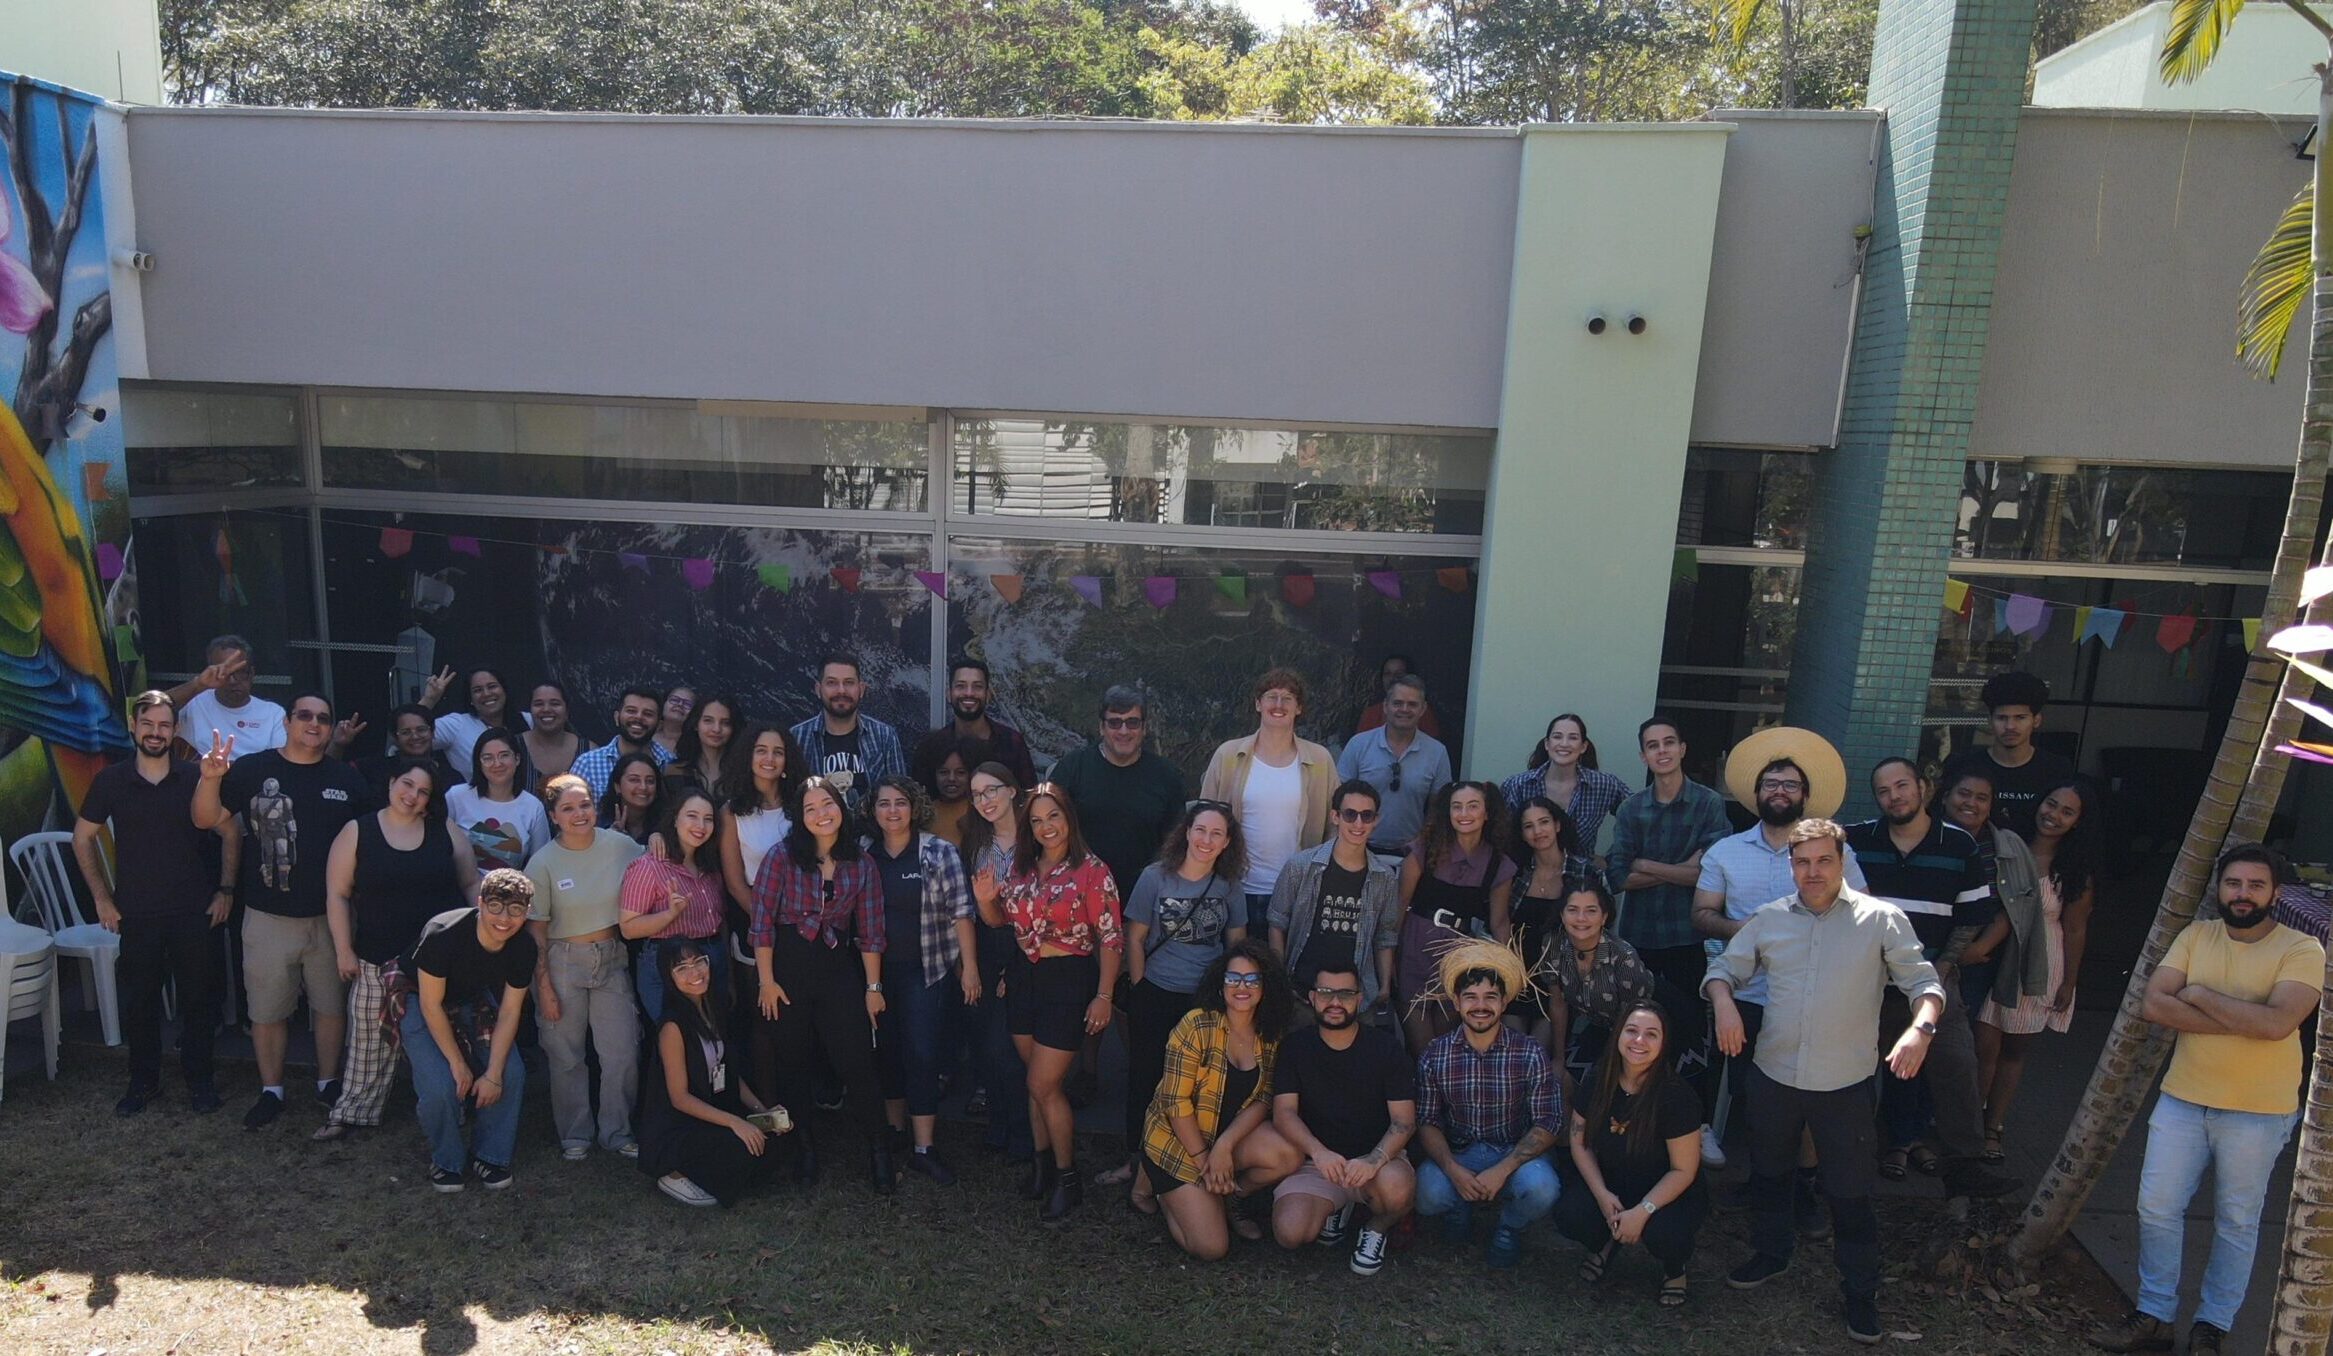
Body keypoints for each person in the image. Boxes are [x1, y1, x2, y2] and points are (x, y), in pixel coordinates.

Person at [1704, 818, 1945, 1347]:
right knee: (1770, 1173)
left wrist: (1920, 1031)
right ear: (1791, 865)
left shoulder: (1881, 920)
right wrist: (1724, 1002)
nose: (1812, 872)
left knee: (1850, 1193)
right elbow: (1724, 969)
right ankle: (1772, 1252)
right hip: (1775, 1075)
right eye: (1802, 862)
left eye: (1823, 861)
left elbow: (1924, 983)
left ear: (1842, 862)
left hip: (1845, 1084)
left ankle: (1860, 1292)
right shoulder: (1768, 920)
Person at [2089, 845, 2324, 1356]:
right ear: (2219, 889)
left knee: (2237, 1222)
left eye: (2255, 886)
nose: (2243, 894)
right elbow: (2154, 1003)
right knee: (2156, 1209)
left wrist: (2197, 996)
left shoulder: (2303, 949)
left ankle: (2211, 1327)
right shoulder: (2196, 935)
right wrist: (2244, 1018)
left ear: (2276, 894)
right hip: (2183, 1099)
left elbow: (2278, 1023)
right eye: (2234, 884)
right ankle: (2155, 1316)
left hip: (2259, 1111)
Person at [193, 689, 372, 1131]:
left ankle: (329, 1083)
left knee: (331, 1008)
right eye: (305, 715)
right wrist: (210, 778)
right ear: (288, 722)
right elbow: (203, 819)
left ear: (331, 730)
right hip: (267, 916)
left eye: (323, 719)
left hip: (330, 920)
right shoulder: (253, 770)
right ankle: (271, 1090)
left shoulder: (347, 780)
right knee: (267, 1012)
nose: (314, 724)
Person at [1690, 726, 1864, 1168]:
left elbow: (1860, 915)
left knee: (1805, 1097)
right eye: (1772, 784)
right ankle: (1763, 1182)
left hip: (1811, 994)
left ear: (1805, 795)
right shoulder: (1725, 852)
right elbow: (1702, 915)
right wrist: (1743, 928)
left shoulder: (1833, 854)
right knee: (1754, 1093)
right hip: (1745, 994)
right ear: (1757, 792)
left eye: (1790, 784)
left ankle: (1801, 1188)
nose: (1780, 791)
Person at [1846, 758, 2016, 1199]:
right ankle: (1853, 1164)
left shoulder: (1959, 845)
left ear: (1923, 788)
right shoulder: (1856, 840)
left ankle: (1964, 1169)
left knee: (1958, 1066)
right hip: (1866, 984)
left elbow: (1971, 916)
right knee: (1856, 1073)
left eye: (1902, 785)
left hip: (1932, 981)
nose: (1894, 796)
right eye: (1883, 791)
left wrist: (1939, 973)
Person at [74, 691, 237, 1116]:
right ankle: (143, 1081)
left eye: (165, 725)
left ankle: (200, 1080)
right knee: (140, 1002)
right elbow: (82, 837)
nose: (156, 732)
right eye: (148, 724)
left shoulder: (194, 777)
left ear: (175, 730)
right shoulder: (111, 780)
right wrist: (101, 898)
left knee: (199, 1002)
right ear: (134, 725)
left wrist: (225, 889)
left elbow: (230, 832)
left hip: (192, 910)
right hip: (136, 912)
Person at [973, 781, 1123, 1222]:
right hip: (1023, 977)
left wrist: (1104, 995)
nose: (1046, 827)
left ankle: (1067, 1176)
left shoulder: (1093, 871)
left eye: (1053, 816)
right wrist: (985, 903)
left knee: (1044, 1085)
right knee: (1031, 1082)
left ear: (1068, 817)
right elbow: (1003, 921)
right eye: (1036, 820)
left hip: (1068, 979)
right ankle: (1041, 1166)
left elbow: (1111, 938)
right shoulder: (1021, 868)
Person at [317, 757, 478, 1141]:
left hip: (438, 962)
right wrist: (343, 950)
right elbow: (338, 895)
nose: (412, 795)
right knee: (369, 1042)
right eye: (407, 784)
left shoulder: (447, 831)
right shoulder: (357, 831)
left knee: (450, 1039)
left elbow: (471, 883)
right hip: (377, 958)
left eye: (423, 792)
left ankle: (454, 1107)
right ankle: (353, 1113)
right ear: (391, 783)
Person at [750, 775, 893, 1193]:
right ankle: (805, 1148)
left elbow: (870, 930)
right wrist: (766, 982)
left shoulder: (861, 862)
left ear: (840, 808)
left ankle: (879, 1149)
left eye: (827, 805)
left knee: (856, 1062)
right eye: (809, 809)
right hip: (787, 967)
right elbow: (761, 925)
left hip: (836, 966)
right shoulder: (780, 858)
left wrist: (873, 988)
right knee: (793, 1062)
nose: (820, 815)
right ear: (799, 817)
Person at [1111, 801, 1247, 1196]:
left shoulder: (1229, 886)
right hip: (1156, 991)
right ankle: (1136, 1160)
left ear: (1226, 843)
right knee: (1145, 1077)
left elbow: (1235, 946)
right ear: (1186, 832)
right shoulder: (1155, 878)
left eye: (1217, 834)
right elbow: (1134, 938)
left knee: (1197, 1084)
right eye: (1201, 830)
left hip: (1204, 999)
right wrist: (1139, 990)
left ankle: (1187, 1161)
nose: (1207, 840)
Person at [1139, 941, 1302, 1257]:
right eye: (1233, 978)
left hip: (1223, 1139)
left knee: (1288, 1155)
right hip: (1178, 1142)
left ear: (1265, 986)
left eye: (1252, 979)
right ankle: (1161, 1187)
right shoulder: (1196, 1024)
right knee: (1212, 1247)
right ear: (1220, 983)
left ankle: (1229, 1196)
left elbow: (1264, 1098)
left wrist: (1224, 1148)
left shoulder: (1270, 1034)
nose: (1242, 987)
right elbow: (1175, 1103)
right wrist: (1205, 1163)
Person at [1412, 938, 1563, 1268]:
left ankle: (1510, 1225)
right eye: (1471, 997)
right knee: (1425, 1192)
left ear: (1505, 1001)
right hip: (1459, 1151)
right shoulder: (1435, 1054)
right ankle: (1458, 1206)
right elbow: (1427, 1121)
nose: (1480, 1006)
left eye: (1490, 997)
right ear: (1456, 1001)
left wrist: (1504, 1168)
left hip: (1513, 1151)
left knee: (1542, 1189)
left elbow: (1548, 1122)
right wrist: (1453, 1170)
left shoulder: (1529, 1051)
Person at [1555, 1001, 1708, 1308]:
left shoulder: (1677, 1096)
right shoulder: (1598, 1078)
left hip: (1665, 1192)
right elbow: (1579, 1141)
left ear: (1664, 1043)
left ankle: (1674, 1269)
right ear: (1618, 1035)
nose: (1639, 1041)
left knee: (1668, 1234)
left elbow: (1683, 1170)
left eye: (1651, 1034)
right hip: (1612, 1181)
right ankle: (1606, 1242)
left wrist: (1643, 1210)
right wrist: (1601, 1194)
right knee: (1570, 1215)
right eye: (1632, 1031)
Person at [526, 773, 647, 1160]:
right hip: (562, 962)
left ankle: (617, 1131)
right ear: (553, 815)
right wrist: (543, 987)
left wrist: (659, 839)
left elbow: (656, 868)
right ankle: (575, 1134)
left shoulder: (621, 846)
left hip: (612, 958)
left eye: (585, 805)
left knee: (622, 1052)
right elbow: (536, 933)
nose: (579, 814)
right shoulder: (542, 862)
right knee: (565, 1054)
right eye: (568, 808)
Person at [1270, 960, 1418, 1277]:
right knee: (1290, 1233)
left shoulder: (1386, 1048)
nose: (1335, 1002)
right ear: (1311, 998)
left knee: (1397, 1188)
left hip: (1375, 1159)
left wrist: (1375, 1160)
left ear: (1359, 998)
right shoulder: (1295, 1047)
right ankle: (1339, 1205)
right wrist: (1318, 1152)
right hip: (1319, 1162)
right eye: (1326, 993)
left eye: (1345, 994)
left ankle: (1376, 1228)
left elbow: (1404, 1121)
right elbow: (1283, 1113)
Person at [866, 774, 978, 1186]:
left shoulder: (938, 852)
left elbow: (962, 913)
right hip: (877, 973)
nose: (892, 811)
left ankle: (924, 1148)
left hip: (926, 971)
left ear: (914, 808)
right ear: (872, 811)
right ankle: (897, 1133)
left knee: (922, 1055)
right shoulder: (864, 855)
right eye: (883, 804)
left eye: (900, 803)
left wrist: (970, 967)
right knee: (887, 1053)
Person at [1978, 779, 2098, 1159]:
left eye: (2067, 811)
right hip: (1993, 959)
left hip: (2041, 965)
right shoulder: (2005, 846)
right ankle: (1966, 1126)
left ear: (2078, 822)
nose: (2054, 815)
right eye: (2051, 804)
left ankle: (1993, 1129)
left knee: (2013, 1054)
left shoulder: (2074, 871)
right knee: (1982, 1048)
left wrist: (2069, 983)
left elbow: (2075, 928)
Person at [400, 869, 537, 1192]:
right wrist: (458, 1064)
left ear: (527, 912)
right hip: (420, 997)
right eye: (495, 907)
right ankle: (447, 1160)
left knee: (510, 1073)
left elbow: (510, 1010)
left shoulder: (524, 947)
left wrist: (492, 1073)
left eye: (516, 909)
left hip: (472, 997)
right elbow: (432, 1006)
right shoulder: (442, 933)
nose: (504, 919)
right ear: (480, 903)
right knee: (440, 1084)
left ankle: (491, 1155)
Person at [639, 938, 784, 1208]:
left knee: (776, 1132)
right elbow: (679, 1098)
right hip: (680, 1126)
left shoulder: (714, 1009)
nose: (694, 973)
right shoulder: (672, 1026)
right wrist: (734, 1122)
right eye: (681, 968)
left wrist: (762, 1110)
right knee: (739, 1147)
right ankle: (675, 1173)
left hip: (713, 1111)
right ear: (668, 977)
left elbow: (729, 1073)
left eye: (698, 963)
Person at [1607, 716, 1731, 1026]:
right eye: (1652, 746)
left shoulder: (1708, 804)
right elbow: (1618, 877)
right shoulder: (1631, 809)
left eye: (1668, 743)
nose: (1662, 751)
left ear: (1682, 749)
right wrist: (1683, 868)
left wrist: (1644, 863)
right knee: (1636, 1024)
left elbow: (1709, 876)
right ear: (1643, 756)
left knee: (1688, 1024)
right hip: (1639, 936)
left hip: (1688, 935)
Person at [1200, 667, 1335, 935]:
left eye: (1288, 698)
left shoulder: (1320, 760)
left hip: (1295, 893)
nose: (1278, 704)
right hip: (1233, 888)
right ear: (1258, 704)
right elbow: (1202, 819)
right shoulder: (1228, 755)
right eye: (1271, 696)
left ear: (1299, 708)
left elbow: (1335, 826)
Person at [1269, 779, 1403, 1025]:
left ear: (1376, 820)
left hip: (1357, 1000)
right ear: (1335, 816)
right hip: (1302, 994)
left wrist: (1384, 986)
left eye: (1367, 815)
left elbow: (1385, 936)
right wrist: (1281, 978)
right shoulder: (1300, 866)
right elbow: (1277, 923)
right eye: (1350, 814)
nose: (1358, 823)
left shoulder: (1385, 878)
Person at [1396, 781, 1515, 1054]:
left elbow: (1499, 922)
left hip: (1460, 956)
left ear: (1487, 813)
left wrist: (1506, 968)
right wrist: (1390, 958)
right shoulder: (1424, 849)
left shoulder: (1498, 863)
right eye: (1457, 806)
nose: (1465, 813)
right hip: (1416, 945)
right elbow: (1399, 905)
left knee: (1446, 1046)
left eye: (1473, 806)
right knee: (1422, 1049)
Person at [1046, 684, 1188, 900]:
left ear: (1144, 728)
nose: (1124, 731)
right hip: (1078, 895)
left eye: (1132, 722)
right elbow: (1048, 829)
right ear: (1101, 727)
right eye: (1114, 722)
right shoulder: (1072, 769)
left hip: (1144, 898)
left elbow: (1176, 840)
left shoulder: (1166, 776)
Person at [960, 761, 1033, 1157]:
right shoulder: (975, 843)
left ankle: (1022, 1128)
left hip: (1030, 948)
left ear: (1011, 791)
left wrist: (1018, 965)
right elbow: (977, 911)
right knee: (989, 1043)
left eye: (991, 790)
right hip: (988, 944)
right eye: (976, 795)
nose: (984, 800)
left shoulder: (1037, 838)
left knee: (1014, 1046)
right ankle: (1000, 1119)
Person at [620, 789, 729, 1024]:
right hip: (668, 963)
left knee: (714, 1040)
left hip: (712, 958)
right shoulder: (649, 866)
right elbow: (628, 928)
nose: (700, 825)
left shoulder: (710, 866)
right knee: (679, 1043)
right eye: (692, 815)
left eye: (708, 819)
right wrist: (670, 915)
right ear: (674, 819)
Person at [1546, 882, 1659, 1090]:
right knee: (1567, 1082)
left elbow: (1633, 1020)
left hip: (1645, 1029)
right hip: (1602, 1026)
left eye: (1591, 911)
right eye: (1573, 910)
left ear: (1604, 917)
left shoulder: (1623, 957)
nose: (1581, 918)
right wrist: (1558, 1058)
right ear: (1562, 915)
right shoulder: (1553, 944)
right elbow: (1558, 1002)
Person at [1941, 670, 2077, 841]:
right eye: (2002, 718)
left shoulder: (2056, 769)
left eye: (2020, 717)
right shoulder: (1963, 765)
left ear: (2036, 720)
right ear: (1990, 721)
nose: (2010, 726)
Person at [1335, 672, 1451, 856]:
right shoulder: (1359, 745)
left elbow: (1439, 808)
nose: (1404, 709)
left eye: (1412, 704)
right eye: (1397, 703)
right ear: (1386, 707)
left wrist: (1422, 843)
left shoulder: (1437, 752)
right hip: (1358, 848)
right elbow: (1338, 799)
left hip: (1412, 853)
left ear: (1423, 709)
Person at [1509, 795, 1592, 1045]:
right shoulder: (1515, 872)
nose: (1538, 831)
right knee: (1512, 1053)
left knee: (1541, 1056)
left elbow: (1597, 928)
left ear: (1557, 825)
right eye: (1528, 826)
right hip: (1515, 973)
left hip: (1559, 977)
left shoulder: (1584, 871)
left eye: (1543, 822)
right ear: (1522, 834)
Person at [788, 655, 908, 815]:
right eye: (832, 683)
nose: (841, 690)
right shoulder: (797, 737)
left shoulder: (884, 736)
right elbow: (789, 799)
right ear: (818, 689)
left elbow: (901, 797)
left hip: (872, 836)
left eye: (849, 683)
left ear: (862, 689)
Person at [1500, 714, 1632, 858]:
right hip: (1526, 875)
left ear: (1583, 746)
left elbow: (1641, 816)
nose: (1564, 743)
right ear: (1547, 744)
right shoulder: (1517, 785)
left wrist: (1615, 861)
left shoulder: (1604, 785)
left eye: (1573, 738)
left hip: (1581, 876)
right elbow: (1500, 834)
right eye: (1557, 736)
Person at [915, 657, 1037, 789]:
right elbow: (920, 801)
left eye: (977, 686)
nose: (969, 693)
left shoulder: (1011, 743)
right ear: (949, 694)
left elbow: (1028, 797)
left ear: (988, 695)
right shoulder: (931, 747)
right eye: (961, 686)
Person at [444, 727, 548, 873]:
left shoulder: (533, 806)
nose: (497, 764)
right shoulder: (456, 797)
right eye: (487, 758)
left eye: (504, 755)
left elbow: (541, 864)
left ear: (517, 759)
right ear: (478, 763)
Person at [167, 633, 286, 760]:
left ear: (251, 673)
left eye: (240, 672)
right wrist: (198, 684)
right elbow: (150, 707)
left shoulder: (273, 713)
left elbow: (278, 763)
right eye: (224, 672)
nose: (233, 680)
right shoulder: (194, 703)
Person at [422, 667, 532, 780]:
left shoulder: (528, 720)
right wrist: (429, 699)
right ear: (470, 699)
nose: (486, 693)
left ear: (504, 690)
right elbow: (410, 734)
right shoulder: (456, 726)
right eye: (478, 690)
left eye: (492, 686)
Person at [572, 686, 672, 800]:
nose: (638, 717)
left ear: (659, 724)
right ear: (616, 717)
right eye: (631, 711)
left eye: (648, 714)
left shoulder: (670, 763)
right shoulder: (587, 764)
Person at [352, 704, 454, 797]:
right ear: (395, 738)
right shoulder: (374, 769)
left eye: (421, 730)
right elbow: (339, 775)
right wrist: (338, 746)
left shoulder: (450, 776)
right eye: (405, 732)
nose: (415, 736)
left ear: (432, 732)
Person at [911, 731, 984, 847]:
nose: (951, 778)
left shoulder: (982, 810)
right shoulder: (924, 814)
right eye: (943, 772)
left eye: (960, 772)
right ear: (933, 774)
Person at [664, 693, 741, 798]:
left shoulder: (743, 772)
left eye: (725, 723)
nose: (716, 729)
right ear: (696, 724)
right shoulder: (675, 770)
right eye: (708, 721)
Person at [1354, 653, 1446, 740]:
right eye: (1387, 674)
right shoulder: (1370, 714)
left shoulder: (1423, 713)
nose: (1392, 678)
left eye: (1399, 674)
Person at [598, 750, 665, 845]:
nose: (643, 787)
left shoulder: (667, 828)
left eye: (650, 781)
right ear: (617, 786)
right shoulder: (599, 826)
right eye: (634, 780)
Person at [523, 680, 584, 782]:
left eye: (555, 704)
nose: (546, 709)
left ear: (567, 710)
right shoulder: (512, 747)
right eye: (539, 704)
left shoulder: (587, 751)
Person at [654, 685, 696, 761]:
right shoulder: (648, 736)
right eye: (674, 700)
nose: (679, 705)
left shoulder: (696, 744)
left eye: (687, 704)